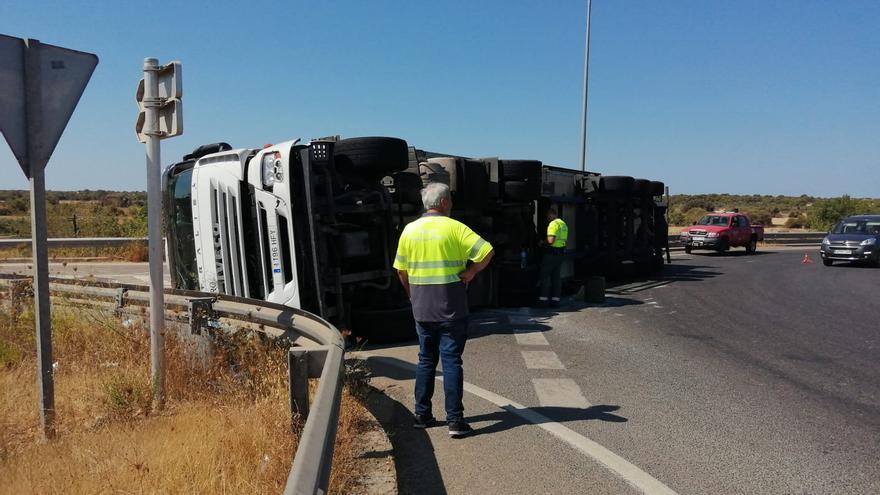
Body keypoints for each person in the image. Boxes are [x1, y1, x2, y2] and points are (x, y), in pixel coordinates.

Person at [393, 182, 494, 438]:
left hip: (422, 307)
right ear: (445, 202)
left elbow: (401, 270)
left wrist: (412, 296)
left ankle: (422, 415)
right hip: (452, 307)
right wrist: (471, 272)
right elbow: (487, 251)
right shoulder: (455, 228)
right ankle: (455, 421)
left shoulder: (409, 230)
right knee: (451, 361)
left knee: (426, 359)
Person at [538, 207, 568, 307]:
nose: (547, 218)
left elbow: (551, 241)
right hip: (560, 254)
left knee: (544, 277)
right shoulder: (563, 224)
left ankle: (543, 301)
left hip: (551, 254)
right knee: (556, 278)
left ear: (551, 214)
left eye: (547, 216)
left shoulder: (553, 224)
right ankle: (556, 301)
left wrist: (542, 242)